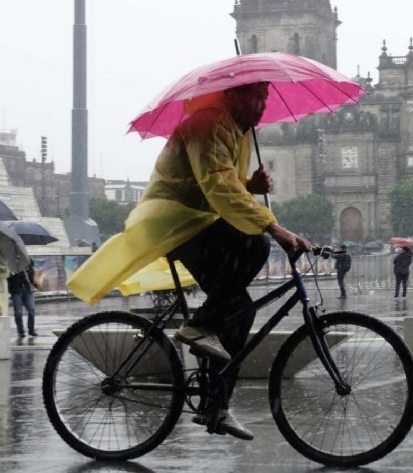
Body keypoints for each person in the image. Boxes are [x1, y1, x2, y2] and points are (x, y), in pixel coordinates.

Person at [68, 82, 310, 441]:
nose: (261, 105)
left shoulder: (237, 131)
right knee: (256, 246)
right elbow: (217, 187)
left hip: (198, 220)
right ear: (231, 95)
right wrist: (275, 228)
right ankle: (197, 327)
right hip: (173, 221)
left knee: (238, 309)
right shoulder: (208, 124)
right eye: (254, 96)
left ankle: (217, 404)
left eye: (265, 98)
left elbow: (223, 181)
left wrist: (249, 185)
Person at [8, 259, 38, 337]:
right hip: (16, 289)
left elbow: (33, 271)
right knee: (18, 312)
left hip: (28, 288)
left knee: (31, 310)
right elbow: (8, 276)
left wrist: (35, 282)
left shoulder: (28, 260)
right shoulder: (11, 261)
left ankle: (31, 330)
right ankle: (20, 331)